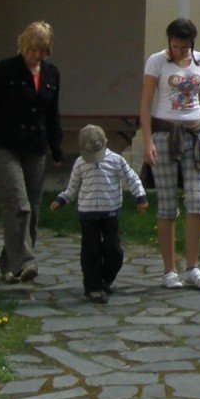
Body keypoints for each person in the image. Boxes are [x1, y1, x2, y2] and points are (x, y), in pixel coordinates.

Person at [0, 20, 64, 282]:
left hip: (35, 148)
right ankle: (26, 262)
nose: (36, 56)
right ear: (23, 46)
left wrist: (57, 149)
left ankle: (9, 264)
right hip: (5, 145)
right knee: (17, 204)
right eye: (32, 50)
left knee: (33, 207)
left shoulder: (52, 74)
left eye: (41, 51)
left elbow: (52, 115)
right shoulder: (6, 70)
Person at [138, 16, 200, 290]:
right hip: (165, 135)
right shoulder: (157, 61)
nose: (179, 52)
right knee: (167, 203)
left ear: (191, 44)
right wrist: (147, 141)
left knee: (197, 200)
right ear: (169, 43)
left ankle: (193, 267)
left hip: (194, 133)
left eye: (184, 47)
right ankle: (168, 269)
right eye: (175, 46)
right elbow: (146, 102)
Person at [50, 123, 148, 303]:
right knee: (90, 251)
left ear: (105, 143)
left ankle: (106, 278)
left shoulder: (116, 160)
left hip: (110, 213)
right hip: (87, 215)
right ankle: (92, 287)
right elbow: (72, 187)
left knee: (114, 249)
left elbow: (131, 178)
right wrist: (62, 200)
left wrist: (140, 197)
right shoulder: (80, 164)